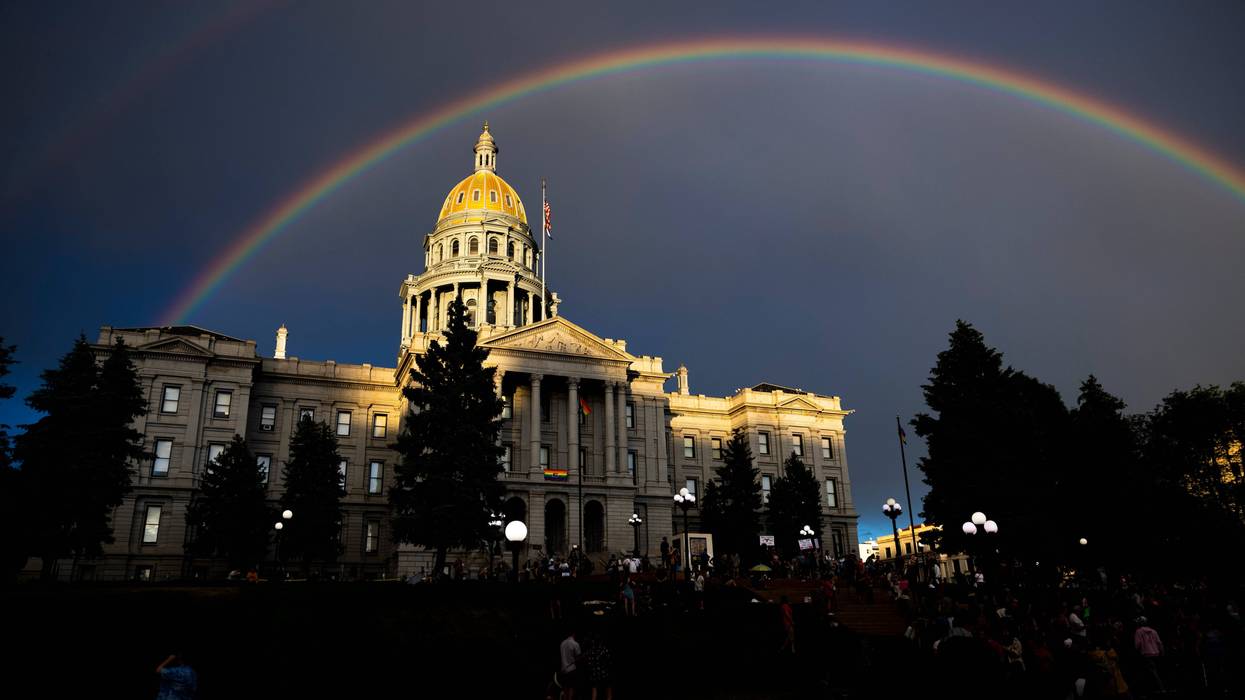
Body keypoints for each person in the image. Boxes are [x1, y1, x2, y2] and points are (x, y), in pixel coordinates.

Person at [558, 629, 583, 699]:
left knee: (565, 688)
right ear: (574, 634)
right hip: (571, 669)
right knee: (571, 687)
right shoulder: (575, 644)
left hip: (563, 669)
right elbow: (578, 658)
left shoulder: (562, 643)